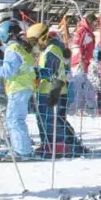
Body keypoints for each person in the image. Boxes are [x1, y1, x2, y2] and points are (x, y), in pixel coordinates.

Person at [27, 23, 84, 157]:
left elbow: (50, 71)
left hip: (53, 91)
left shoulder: (52, 49)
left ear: (42, 37)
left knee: (54, 120)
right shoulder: (47, 49)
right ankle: (50, 143)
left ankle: (62, 145)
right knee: (46, 119)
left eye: (34, 41)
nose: (34, 45)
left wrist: (34, 72)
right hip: (47, 89)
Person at [0, 20, 35, 158]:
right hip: (25, 86)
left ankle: (22, 151)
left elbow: (8, 70)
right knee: (16, 119)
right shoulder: (21, 48)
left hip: (17, 87)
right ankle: (22, 148)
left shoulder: (12, 49)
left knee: (14, 119)